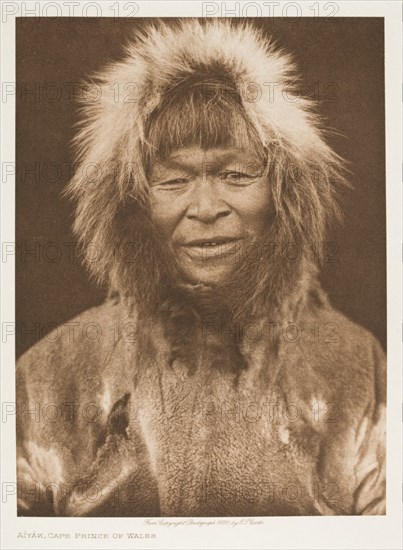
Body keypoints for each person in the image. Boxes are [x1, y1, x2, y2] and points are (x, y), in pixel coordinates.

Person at [16, 18, 386, 516]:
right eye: (174, 180)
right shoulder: (54, 370)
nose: (207, 207)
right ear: (131, 204)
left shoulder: (352, 364)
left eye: (236, 174)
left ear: (283, 196)